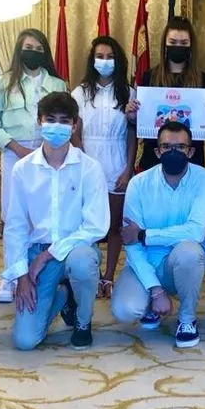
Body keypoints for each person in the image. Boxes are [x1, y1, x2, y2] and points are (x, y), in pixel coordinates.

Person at [2, 92, 110, 351]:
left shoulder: (90, 168)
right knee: (25, 341)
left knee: (83, 262)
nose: (57, 126)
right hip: (38, 252)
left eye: (64, 121)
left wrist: (49, 255)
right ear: (39, 122)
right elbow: (15, 225)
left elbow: (96, 225)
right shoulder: (23, 169)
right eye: (51, 120)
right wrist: (20, 275)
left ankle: (82, 320)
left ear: (75, 126)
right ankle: (62, 295)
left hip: (76, 248)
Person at [111, 121, 205, 348]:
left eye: (180, 147)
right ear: (157, 151)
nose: (173, 152)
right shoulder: (138, 183)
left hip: (183, 261)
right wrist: (156, 291)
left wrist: (144, 235)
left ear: (191, 151)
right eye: (167, 147)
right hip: (146, 261)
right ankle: (152, 302)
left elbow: (196, 231)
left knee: (189, 251)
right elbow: (131, 242)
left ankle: (187, 319)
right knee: (124, 310)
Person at [0, 28, 67, 303]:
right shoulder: (5, 82)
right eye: (28, 47)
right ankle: (11, 275)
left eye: (39, 48)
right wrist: (16, 148)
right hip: (14, 153)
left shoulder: (57, 84)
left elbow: (65, 121)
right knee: (13, 215)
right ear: (19, 50)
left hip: (49, 154)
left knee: (44, 215)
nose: (33, 52)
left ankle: (42, 272)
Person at [72, 36, 136, 300]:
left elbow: (132, 135)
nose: (105, 61)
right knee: (87, 224)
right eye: (100, 56)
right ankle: (92, 273)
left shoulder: (129, 93)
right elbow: (75, 133)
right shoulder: (79, 93)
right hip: (88, 162)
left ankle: (108, 276)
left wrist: (128, 169)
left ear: (118, 61)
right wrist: (85, 164)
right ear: (92, 60)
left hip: (117, 163)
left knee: (114, 226)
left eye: (110, 57)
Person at [126, 16, 205, 171]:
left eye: (184, 43)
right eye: (173, 42)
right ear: (165, 45)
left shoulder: (203, 80)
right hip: (155, 157)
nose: (178, 47)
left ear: (191, 46)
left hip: (191, 159)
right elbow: (142, 120)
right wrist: (133, 117)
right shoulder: (150, 77)